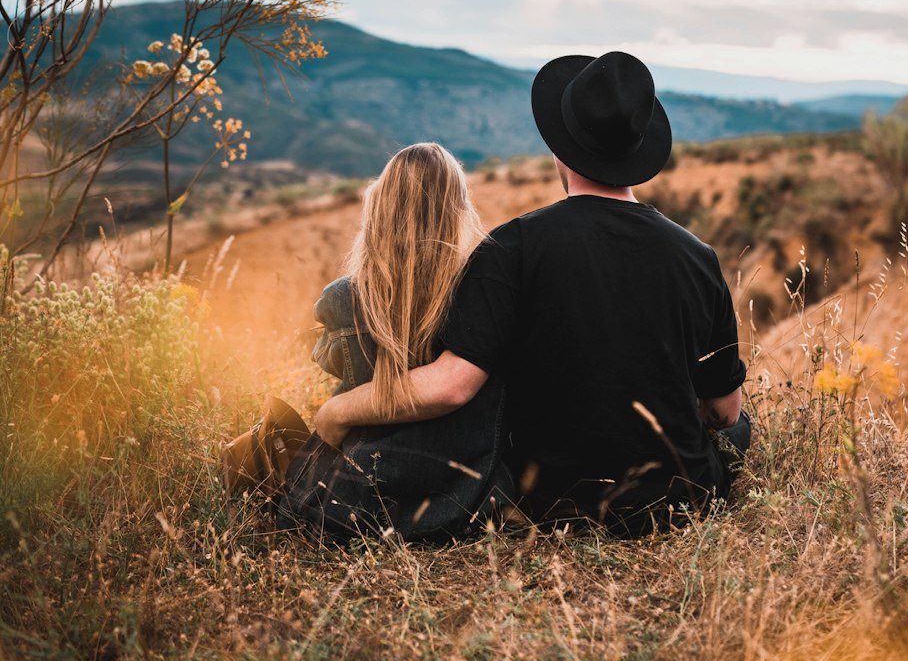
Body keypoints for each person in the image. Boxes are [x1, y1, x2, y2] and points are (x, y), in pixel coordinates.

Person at [316, 52, 750, 537]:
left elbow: (451, 385)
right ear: (639, 149)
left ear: (560, 151)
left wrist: (337, 410)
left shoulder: (513, 247)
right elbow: (723, 412)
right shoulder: (698, 256)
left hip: (554, 501)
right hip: (682, 500)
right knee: (741, 427)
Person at [249, 143, 510, 542]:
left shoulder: (343, 298)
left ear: (380, 206)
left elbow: (330, 362)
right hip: (468, 505)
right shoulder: (482, 294)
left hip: (356, 507)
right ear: (457, 209)